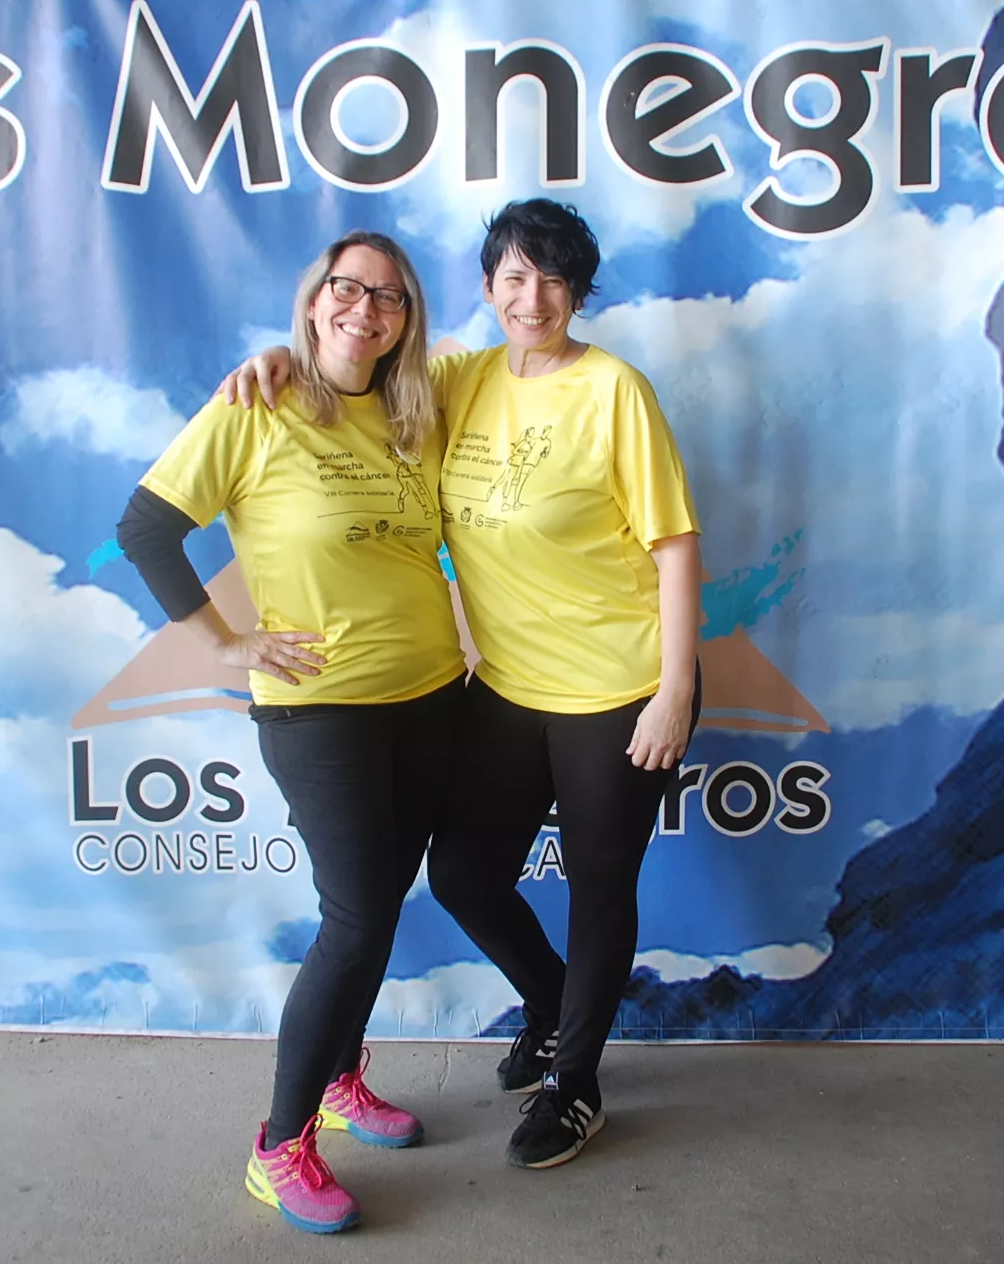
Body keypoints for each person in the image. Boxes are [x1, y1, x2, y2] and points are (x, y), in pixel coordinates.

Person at [228, 199, 702, 1171]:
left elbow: (674, 542)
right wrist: (281, 363)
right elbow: (352, 380)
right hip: (508, 686)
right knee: (463, 873)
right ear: (488, 289)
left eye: (555, 277)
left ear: (579, 290)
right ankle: (550, 1003)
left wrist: (675, 687)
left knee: (600, 887)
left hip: (617, 685)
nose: (534, 297)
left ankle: (576, 1083)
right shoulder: (459, 377)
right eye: (514, 276)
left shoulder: (615, 390)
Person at [116, 231, 463, 1234]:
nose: (365, 309)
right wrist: (223, 643)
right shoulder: (259, 404)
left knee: (382, 909)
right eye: (346, 289)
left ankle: (345, 1080)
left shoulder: (417, 411)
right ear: (313, 300)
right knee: (355, 919)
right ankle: (280, 1143)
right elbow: (147, 526)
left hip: (433, 693)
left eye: (388, 297)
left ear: (407, 319)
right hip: (324, 709)